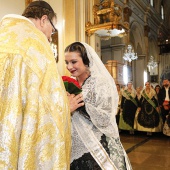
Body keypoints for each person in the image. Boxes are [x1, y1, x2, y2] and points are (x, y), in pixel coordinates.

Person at [0, 1, 83, 169]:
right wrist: (65, 108)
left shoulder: (3, 35)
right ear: (44, 20)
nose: (49, 37)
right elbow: (44, 112)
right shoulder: (37, 44)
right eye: (52, 30)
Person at [64, 42, 132, 170]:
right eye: (66, 62)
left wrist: (78, 105)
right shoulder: (69, 82)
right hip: (76, 144)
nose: (69, 66)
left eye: (73, 62)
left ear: (86, 60)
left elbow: (105, 117)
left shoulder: (100, 82)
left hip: (100, 146)